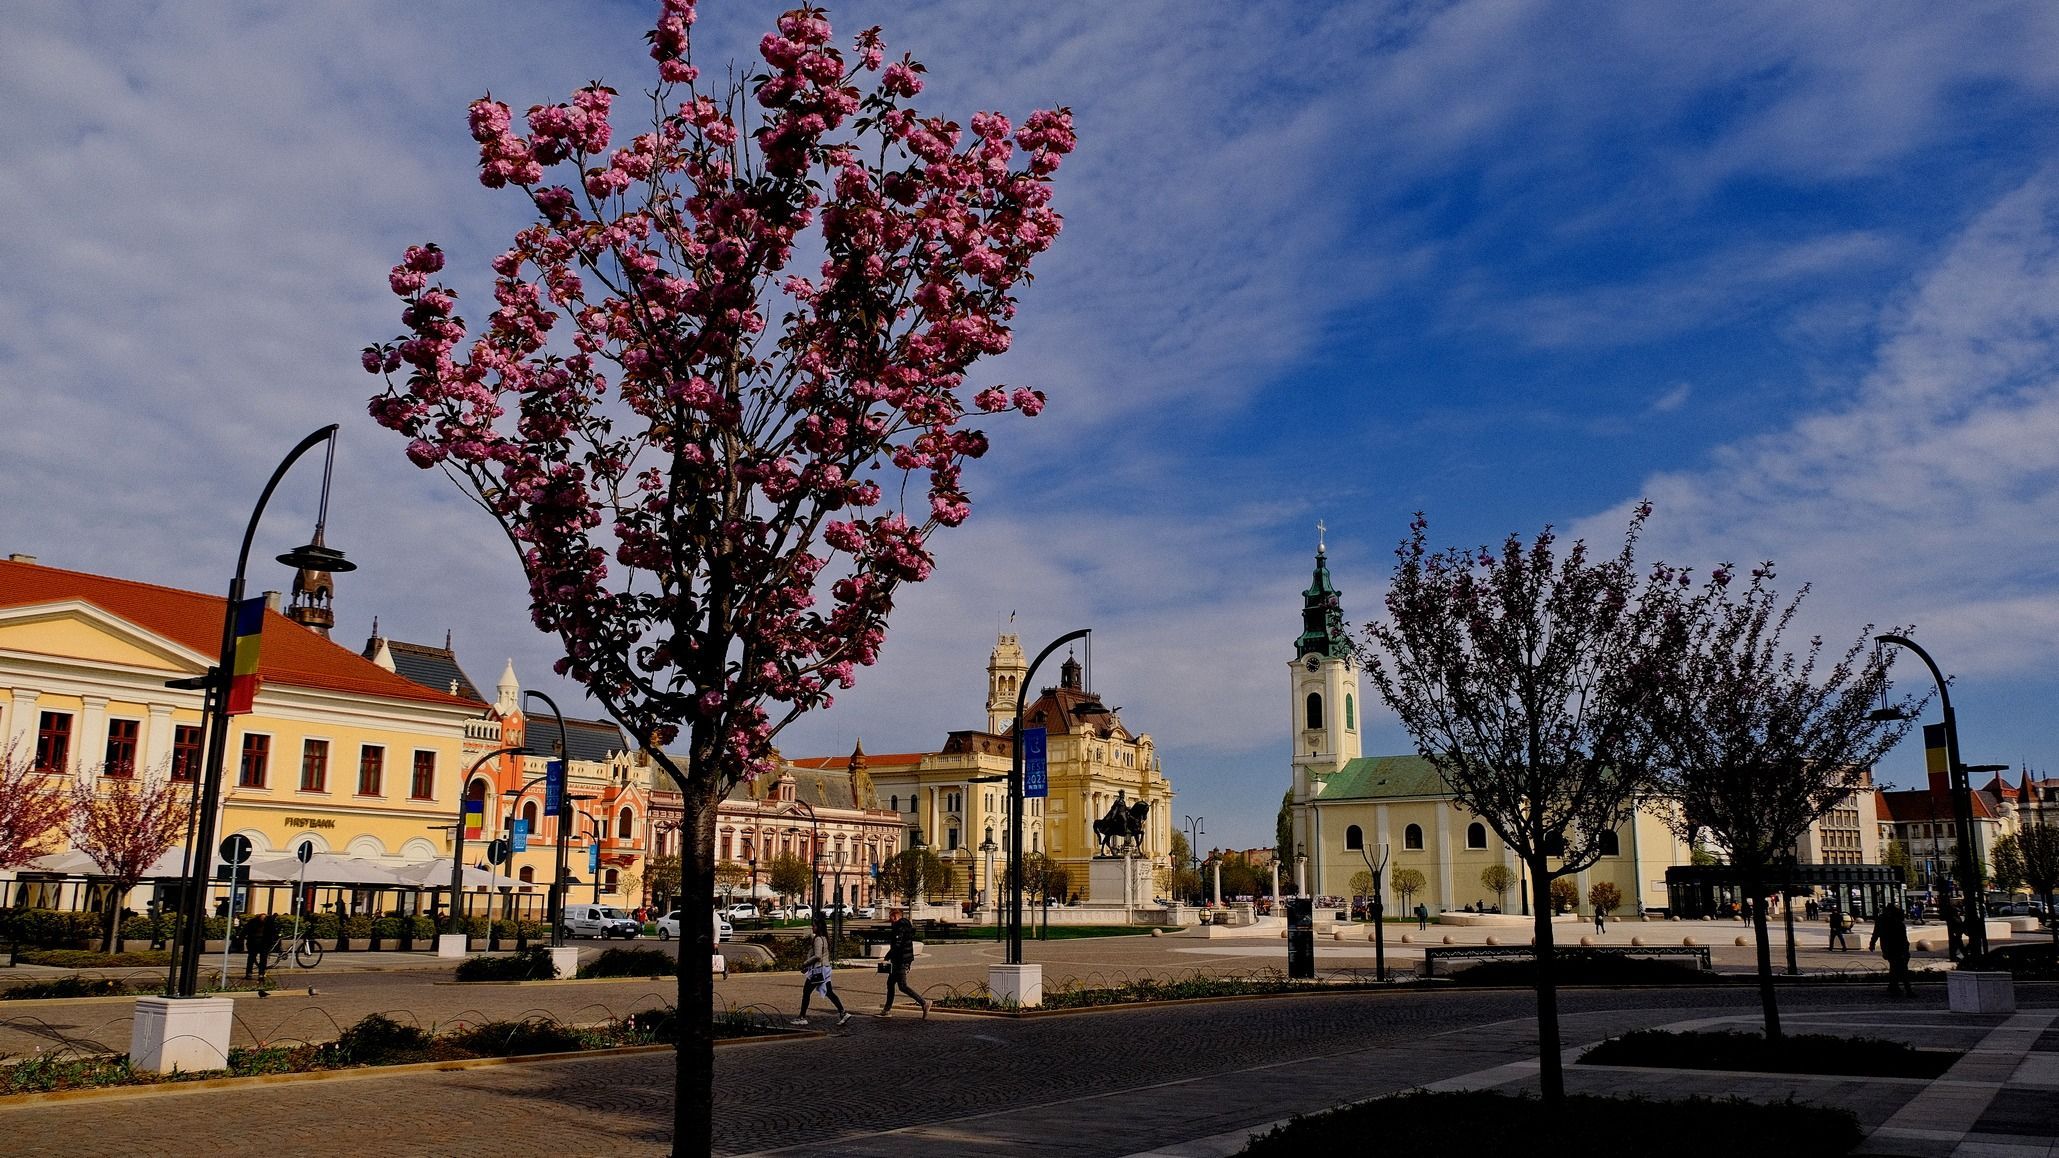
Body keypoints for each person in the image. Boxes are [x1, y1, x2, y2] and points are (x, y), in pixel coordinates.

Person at [793, 915, 850, 1026]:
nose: (812, 928)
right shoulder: (824, 938)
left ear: (818, 927)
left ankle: (802, 1017)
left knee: (806, 992)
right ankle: (843, 1012)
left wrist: (805, 963)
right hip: (825, 969)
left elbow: (818, 956)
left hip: (818, 971)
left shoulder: (818, 939)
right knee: (829, 992)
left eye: (813, 926)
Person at [881, 906, 928, 1017]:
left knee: (902, 986)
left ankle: (924, 1003)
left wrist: (888, 956)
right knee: (890, 983)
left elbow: (897, 944)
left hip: (901, 960)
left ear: (895, 916)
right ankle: (886, 1010)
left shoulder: (900, 927)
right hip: (902, 958)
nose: (890, 919)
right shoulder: (905, 926)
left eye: (890, 917)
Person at [1870, 904, 1913, 998]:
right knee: (1902, 969)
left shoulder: (1883, 919)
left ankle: (1893, 985)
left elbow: (1876, 932)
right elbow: (1902, 938)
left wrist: (1872, 943)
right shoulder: (1897, 923)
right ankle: (1907, 990)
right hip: (1897, 949)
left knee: (1895, 967)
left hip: (1889, 948)